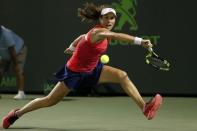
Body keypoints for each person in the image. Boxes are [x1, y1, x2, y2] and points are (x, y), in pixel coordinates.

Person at [2, 3, 162, 129]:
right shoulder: (98, 33)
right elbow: (114, 35)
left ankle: (145, 108)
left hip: (93, 69)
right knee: (50, 100)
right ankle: (17, 114)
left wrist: (72, 47)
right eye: (106, 18)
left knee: (122, 75)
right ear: (100, 19)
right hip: (75, 73)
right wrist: (140, 41)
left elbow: (81, 37)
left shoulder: (96, 33)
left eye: (112, 18)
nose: (109, 21)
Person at [0, 25, 27, 100]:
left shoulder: (6, 34)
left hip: (18, 51)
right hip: (5, 53)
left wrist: (15, 64)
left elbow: (12, 50)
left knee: (18, 69)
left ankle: (21, 93)